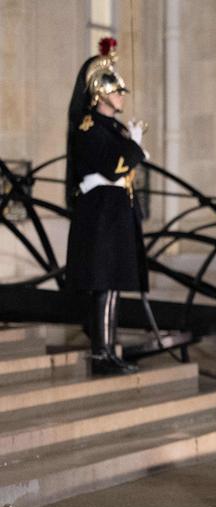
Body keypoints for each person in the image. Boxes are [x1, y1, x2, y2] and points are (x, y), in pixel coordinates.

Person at [65, 37, 149, 376]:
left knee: (113, 286)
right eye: (116, 92)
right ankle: (100, 354)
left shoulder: (112, 129)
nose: (121, 97)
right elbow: (115, 166)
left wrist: (132, 150)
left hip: (115, 215)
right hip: (100, 216)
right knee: (103, 285)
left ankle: (109, 351)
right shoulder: (90, 128)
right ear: (100, 94)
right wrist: (136, 149)